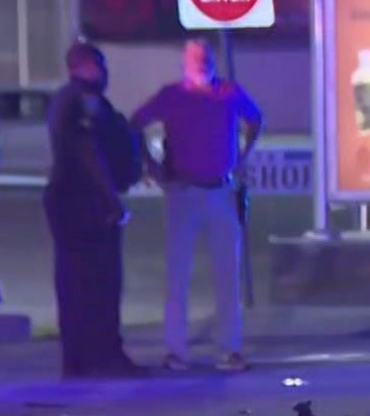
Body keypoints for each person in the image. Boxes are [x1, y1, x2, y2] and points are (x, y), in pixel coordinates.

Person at [130, 38, 261, 373]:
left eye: (205, 57)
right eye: (195, 58)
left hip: (221, 190)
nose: (201, 63)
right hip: (183, 191)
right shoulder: (172, 96)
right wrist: (152, 165)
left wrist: (241, 157)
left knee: (227, 273)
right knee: (178, 273)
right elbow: (135, 124)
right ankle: (176, 351)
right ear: (184, 63)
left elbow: (255, 120)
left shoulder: (230, 92)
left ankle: (229, 349)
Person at [45, 41, 144, 379]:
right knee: (97, 282)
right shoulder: (81, 101)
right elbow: (88, 151)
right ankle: (103, 354)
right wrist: (111, 201)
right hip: (86, 203)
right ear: (85, 67)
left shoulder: (70, 100)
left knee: (76, 283)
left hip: (75, 200)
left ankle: (81, 358)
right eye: (99, 65)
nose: (104, 73)